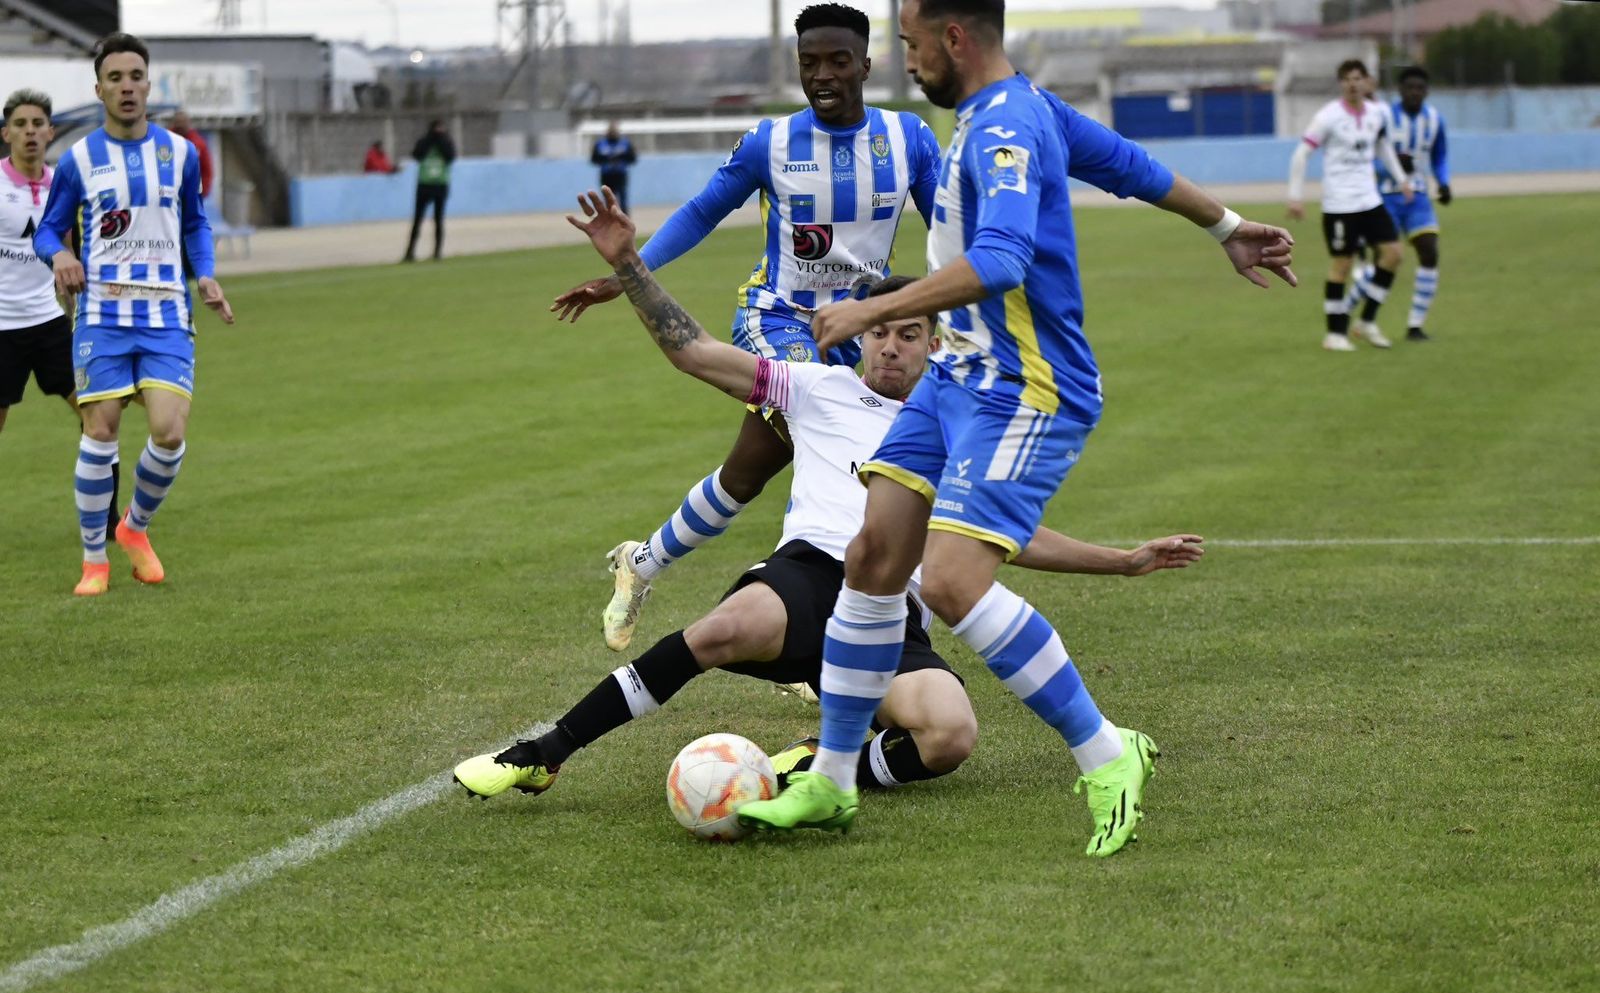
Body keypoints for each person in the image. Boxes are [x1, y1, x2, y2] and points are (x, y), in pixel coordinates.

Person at [735, 0, 1296, 857]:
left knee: (951, 581)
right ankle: (833, 783)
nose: (908, 61)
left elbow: (1001, 260)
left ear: (955, 39)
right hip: (958, 376)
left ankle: (1108, 755)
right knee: (875, 554)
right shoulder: (1012, 110)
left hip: (1026, 388)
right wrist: (1222, 225)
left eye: (914, 45)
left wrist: (872, 308)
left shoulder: (1005, 128)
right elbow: (1126, 164)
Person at [455, 227, 1205, 801]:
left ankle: (814, 769)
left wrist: (1125, 559)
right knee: (723, 629)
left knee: (950, 735)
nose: (888, 346)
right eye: (879, 331)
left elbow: (1005, 537)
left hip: (893, 614)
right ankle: (545, 753)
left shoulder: (961, 427)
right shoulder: (819, 389)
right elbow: (696, 353)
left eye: (908, 333)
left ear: (937, 344)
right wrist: (630, 265)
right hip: (808, 576)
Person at [550, 3, 942, 657]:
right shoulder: (771, 142)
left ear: (866, 65)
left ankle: (640, 565)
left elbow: (947, 237)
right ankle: (803, 617)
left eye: (837, 61)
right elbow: (705, 210)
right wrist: (625, 275)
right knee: (830, 442)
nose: (822, 74)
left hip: (861, 328)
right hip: (777, 319)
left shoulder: (909, 139)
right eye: (808, 62)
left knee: (750, 470)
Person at [33, 32, 234, 597]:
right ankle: (93, 561)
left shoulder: (181, 153)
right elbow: (48, 228)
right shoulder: (76, 159)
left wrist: (207, 273)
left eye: (135, 76)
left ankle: (134, 528)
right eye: (115, 78)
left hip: (167, 311)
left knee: (169, 433)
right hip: (101, 313)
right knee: (101, 429)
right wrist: (63, 254)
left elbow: (194, 223)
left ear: (149, 84)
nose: (127, 87)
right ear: (98, 89)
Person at [1288, 59, 1412, 352]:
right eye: (1347, 79)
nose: (1353, 84)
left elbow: (1382, 147)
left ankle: (1367, 321)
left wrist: (1401, 179)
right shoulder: (1328, 117)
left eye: (1358, 78)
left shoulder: (1376, 113)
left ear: (1366, 81)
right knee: (1342, 265)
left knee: (1394, 253)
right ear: (1341, 84)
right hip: (1339, 203)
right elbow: (1301, 154)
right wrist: (1295, 196)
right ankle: (1334, 334)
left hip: (1370, 198)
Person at [1, 90, 77, 437]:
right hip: (3, 326)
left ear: (51, 131)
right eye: (20, 124)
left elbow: (69, 251)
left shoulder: (64, 183)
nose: (29, 131)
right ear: (6, 134)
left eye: (37, 123)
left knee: (97, 416)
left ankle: (101, 490)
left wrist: (75, 309)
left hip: (50, 323)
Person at [1355, 66, 1450, 342]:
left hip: (1418, 197)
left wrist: (1443, 183)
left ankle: (1415, 325)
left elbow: (1440, 155)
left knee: (1430, 251)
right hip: (1383, 197)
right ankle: (1349, 310)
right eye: (1409, 87)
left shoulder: (1434, 120)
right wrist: (1392, 167)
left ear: (1427, 91)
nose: (1414, 93)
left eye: (1420, 88)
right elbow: (1366, 156)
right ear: (1400, 90)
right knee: (1386, 261)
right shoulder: (1382, 116)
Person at [403, 118, 454, 262]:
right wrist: (430, 140)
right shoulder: (424, 142)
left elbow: (450, 157)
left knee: (438, 220)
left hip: (440, 184)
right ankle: (410, 252)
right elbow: (417, 155)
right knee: (417, 219)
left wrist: (441, 140)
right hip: (424, 184)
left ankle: (437, 251)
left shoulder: (446, 142)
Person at [590, 120, 637, 214]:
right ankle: (611, 220)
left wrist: (620, 157)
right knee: (608, 199)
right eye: (610, 130)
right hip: (606, 175)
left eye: (614, 130)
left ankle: (625, 219)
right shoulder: (600, 144)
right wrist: (606, 159)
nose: (612, 132)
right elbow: (594, 159)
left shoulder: (625, 143)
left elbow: (632, 158)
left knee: (623, 198)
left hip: (620, 174)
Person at [165, 109, 212, 199]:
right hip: (170, 194)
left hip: (192, 194)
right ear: (173, 123)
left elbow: (207, 169)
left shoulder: (198, 143)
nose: (180, 125)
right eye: (178, 122)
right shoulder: (165, 140)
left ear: (188, 123)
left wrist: (203, 192)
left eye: (183, 122)